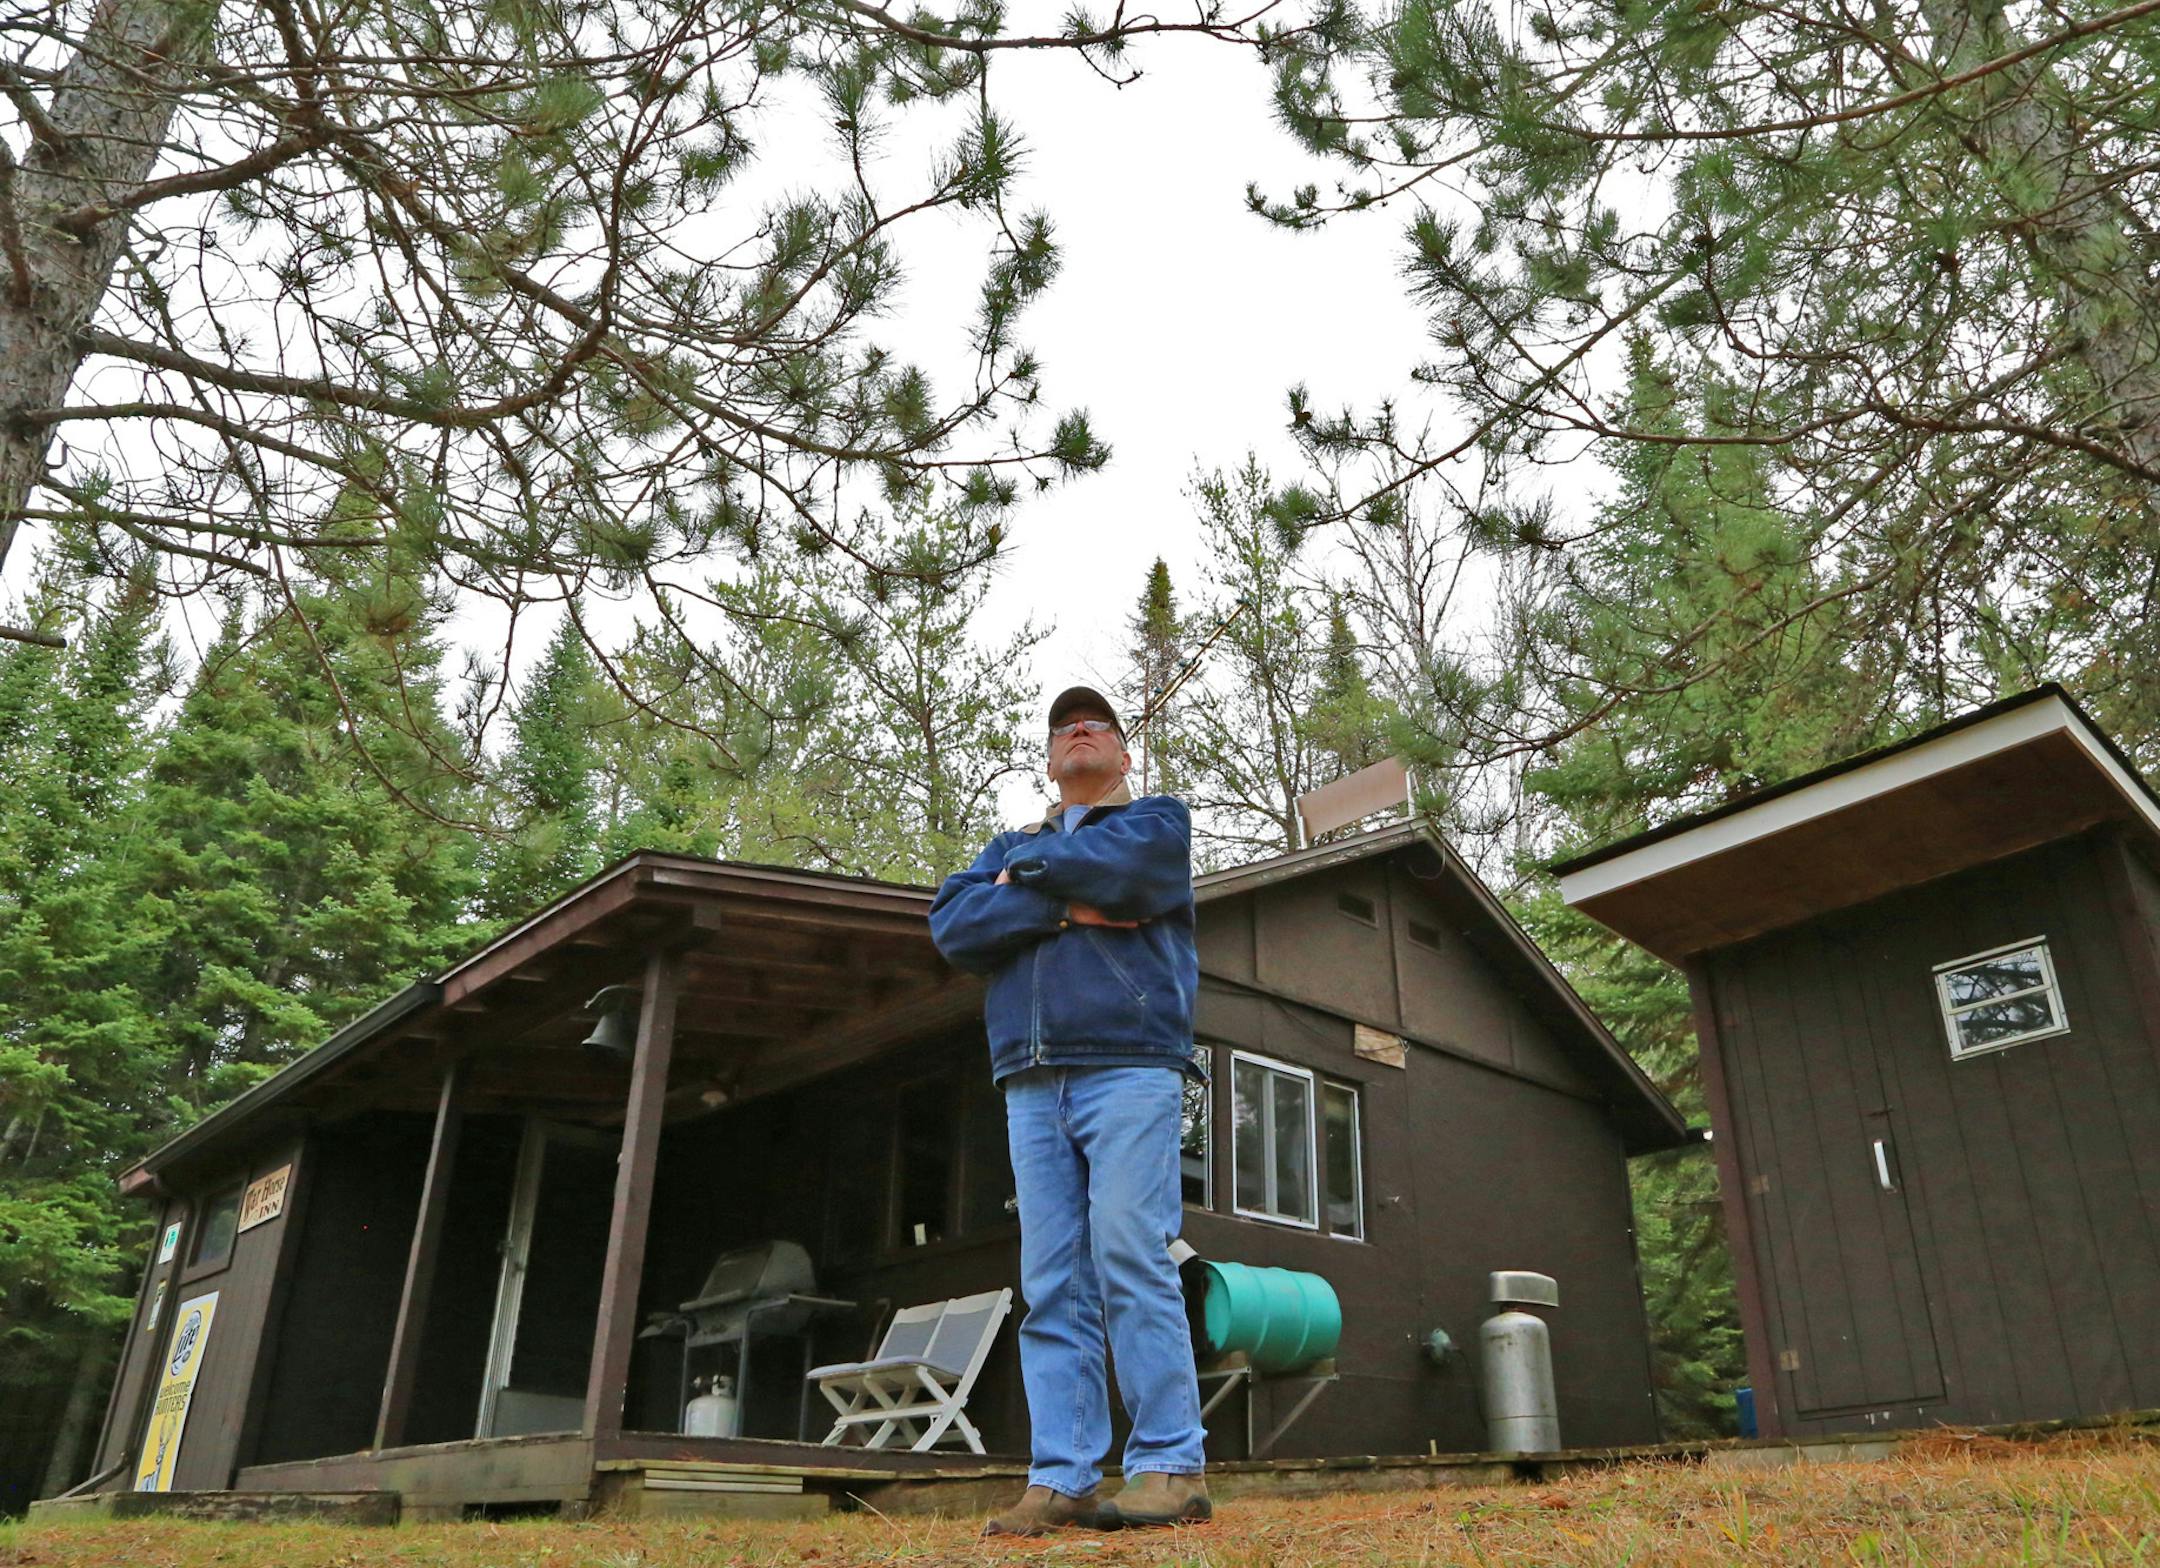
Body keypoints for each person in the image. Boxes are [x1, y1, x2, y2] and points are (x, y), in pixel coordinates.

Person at [927, 685, 1210, 1536]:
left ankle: (1170, 1467)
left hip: (1130, 1066)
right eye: (1063, 728)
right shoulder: (1006, 844)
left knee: (1132, 1253)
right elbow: (954, 924)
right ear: (1050, 762)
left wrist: (1029, 887)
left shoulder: (1156, 821)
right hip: (1029, 1079)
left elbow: (1130, 877)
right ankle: (1065, 1478)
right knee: (1051, 1283)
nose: (1079, 730)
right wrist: (1062, 904)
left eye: (1097, 724)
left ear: (1123, 756)